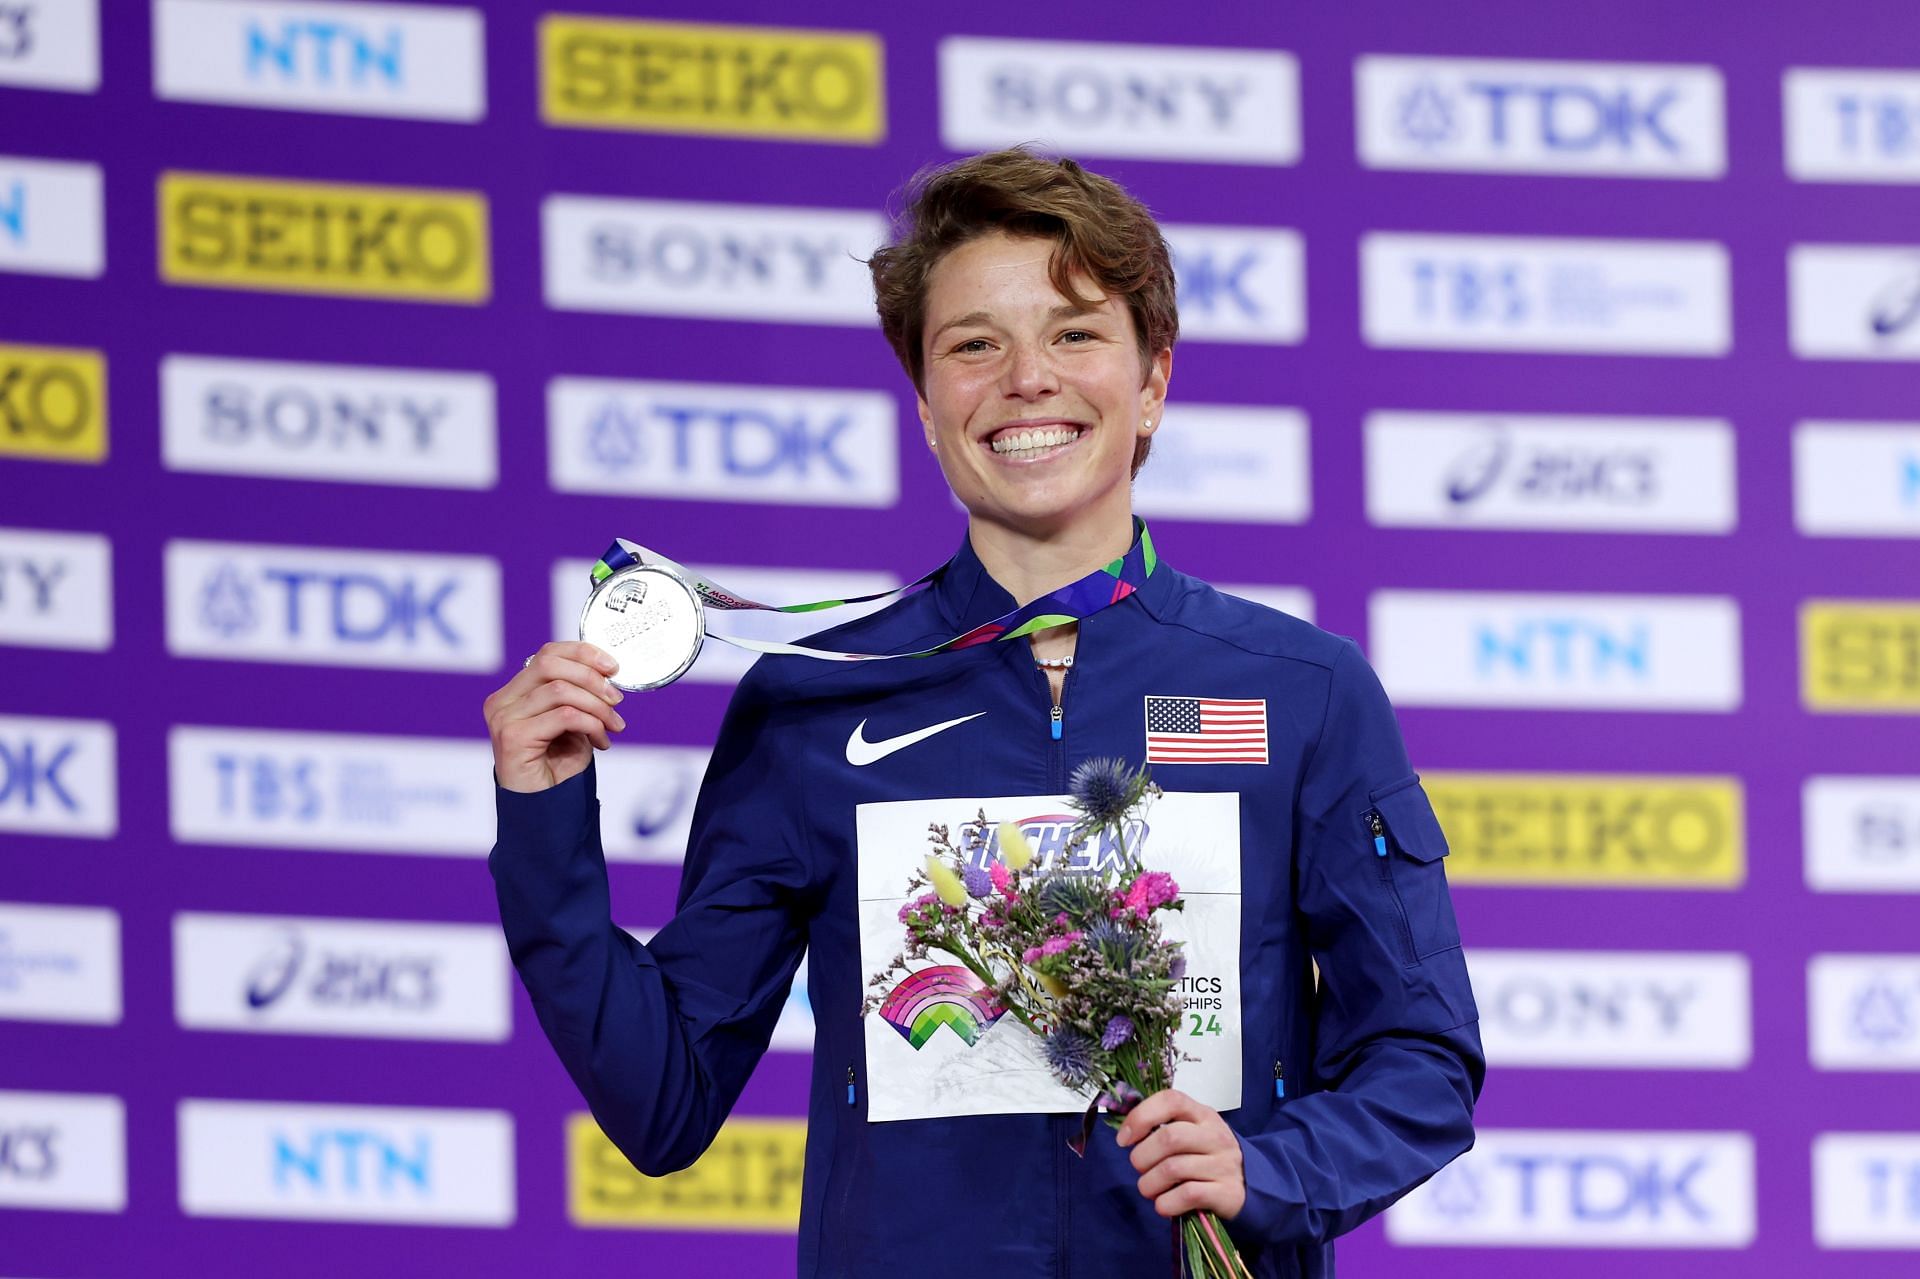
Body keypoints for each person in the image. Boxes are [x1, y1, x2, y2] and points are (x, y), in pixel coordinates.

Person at [486, 148, 1482, 1278]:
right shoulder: (814, 697)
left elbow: (1422, 1061)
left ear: (1152, 378)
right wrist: (545, 819)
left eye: (1074, 332)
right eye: (973, 344)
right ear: (924, 401)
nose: (1025, 379)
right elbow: (663, 1102)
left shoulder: (1300, 689)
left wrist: (1273, 1171)